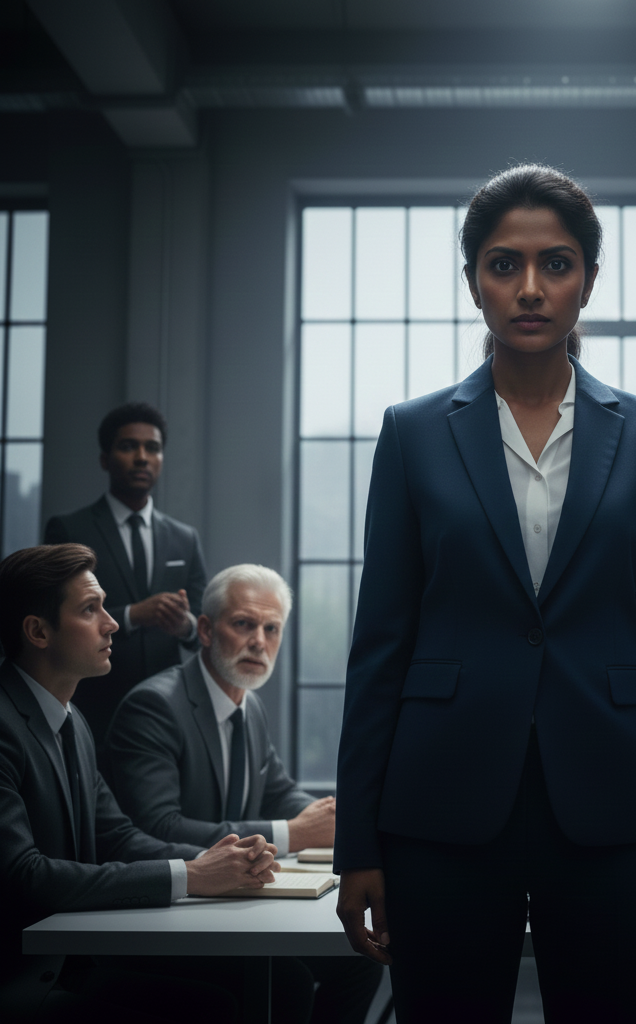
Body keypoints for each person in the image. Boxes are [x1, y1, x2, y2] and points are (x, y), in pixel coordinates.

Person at [333, 164, 636, 1024]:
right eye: (504, 265)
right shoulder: (411, 433)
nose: (531, 288)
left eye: (557, 263)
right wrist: (355, 844)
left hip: (617, 803)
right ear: (473, 282)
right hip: (440, 804)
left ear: (588, 278)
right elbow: (380, 646)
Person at [0, 544, 279, 1021]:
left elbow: (118, 836)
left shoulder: (75, 724)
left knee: (271, 986)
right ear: (37, 631)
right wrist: (193, 876)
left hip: (76, 960)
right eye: (91, 610)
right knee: (220, 1007)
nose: (112, 623)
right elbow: (26, 876)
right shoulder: (5, 725)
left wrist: (219, 864)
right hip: (23, 979)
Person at [106, 564, 382, 1024]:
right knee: (286, 980)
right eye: (244, 624)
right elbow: (158, 825)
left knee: (357, 963)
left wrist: (337, 820)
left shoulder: (248, 704)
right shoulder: (154, 705)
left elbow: (277, 789)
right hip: (167, 915)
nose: (259, 640)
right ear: (207, 630)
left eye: (271, 628)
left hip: (230, 905)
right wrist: (294, 833)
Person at [44, 402, 207, 747]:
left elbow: (202, 625)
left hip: (168, 713)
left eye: (153, 448)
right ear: (105, 459)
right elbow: (53, 619)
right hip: (92, 708)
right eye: (128, 446)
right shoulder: (69, 530)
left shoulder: (185, 539)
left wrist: (185, 626)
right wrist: (134, 615)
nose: (142, 457)